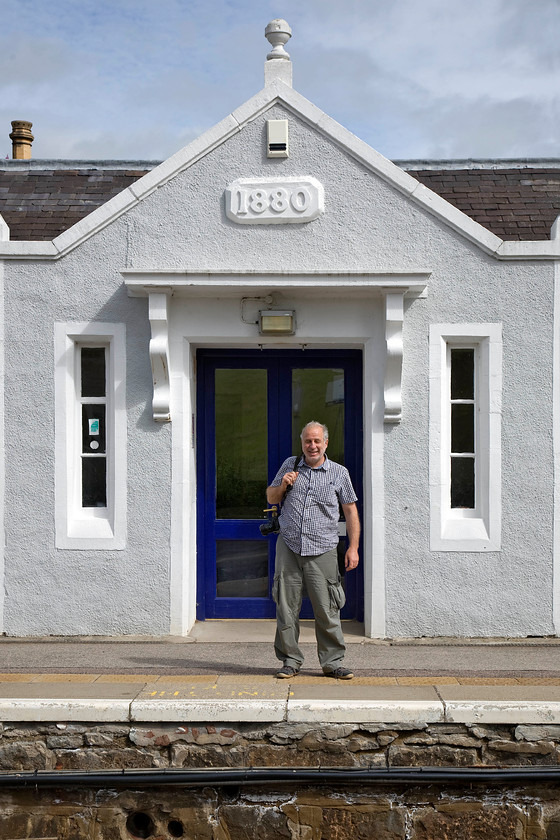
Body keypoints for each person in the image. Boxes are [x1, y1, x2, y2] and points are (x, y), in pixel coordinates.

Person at [266, 421, 360, 679]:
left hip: (323, 549)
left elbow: (350, 510)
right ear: (302, 443)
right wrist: (283, 484)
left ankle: (333, 663)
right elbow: (271, 497)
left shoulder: (339, 473)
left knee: (327, 608)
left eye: (317, 441)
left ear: (326, 443)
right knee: (286, 608)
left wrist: (353, 547)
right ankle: (289, 660)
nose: (312, 445)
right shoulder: (290, 465)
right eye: (308, 441)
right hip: (290, 547)